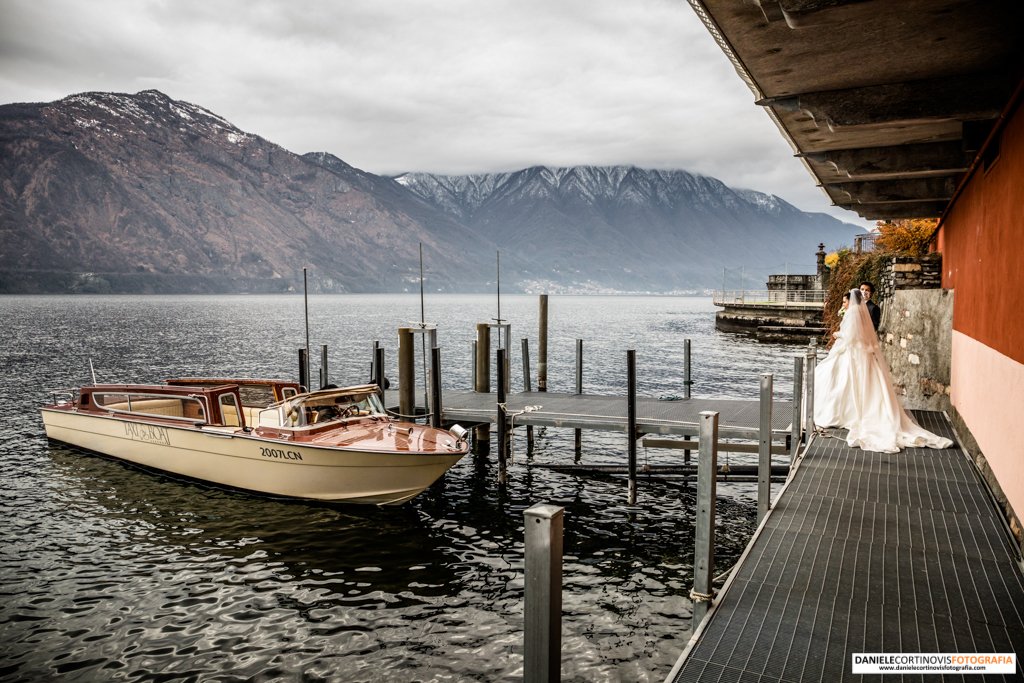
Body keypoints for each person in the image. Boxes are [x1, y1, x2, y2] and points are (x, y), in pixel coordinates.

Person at [814, 288, 953, 453]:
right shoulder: (862, 312)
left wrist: (838, 334)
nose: (844, 304)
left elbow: (851, 337)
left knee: (839, 379)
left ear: (851, 301)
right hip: (864, 354)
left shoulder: (852, 314)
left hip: (852, 354)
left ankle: (844, 412)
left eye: (845, 301)